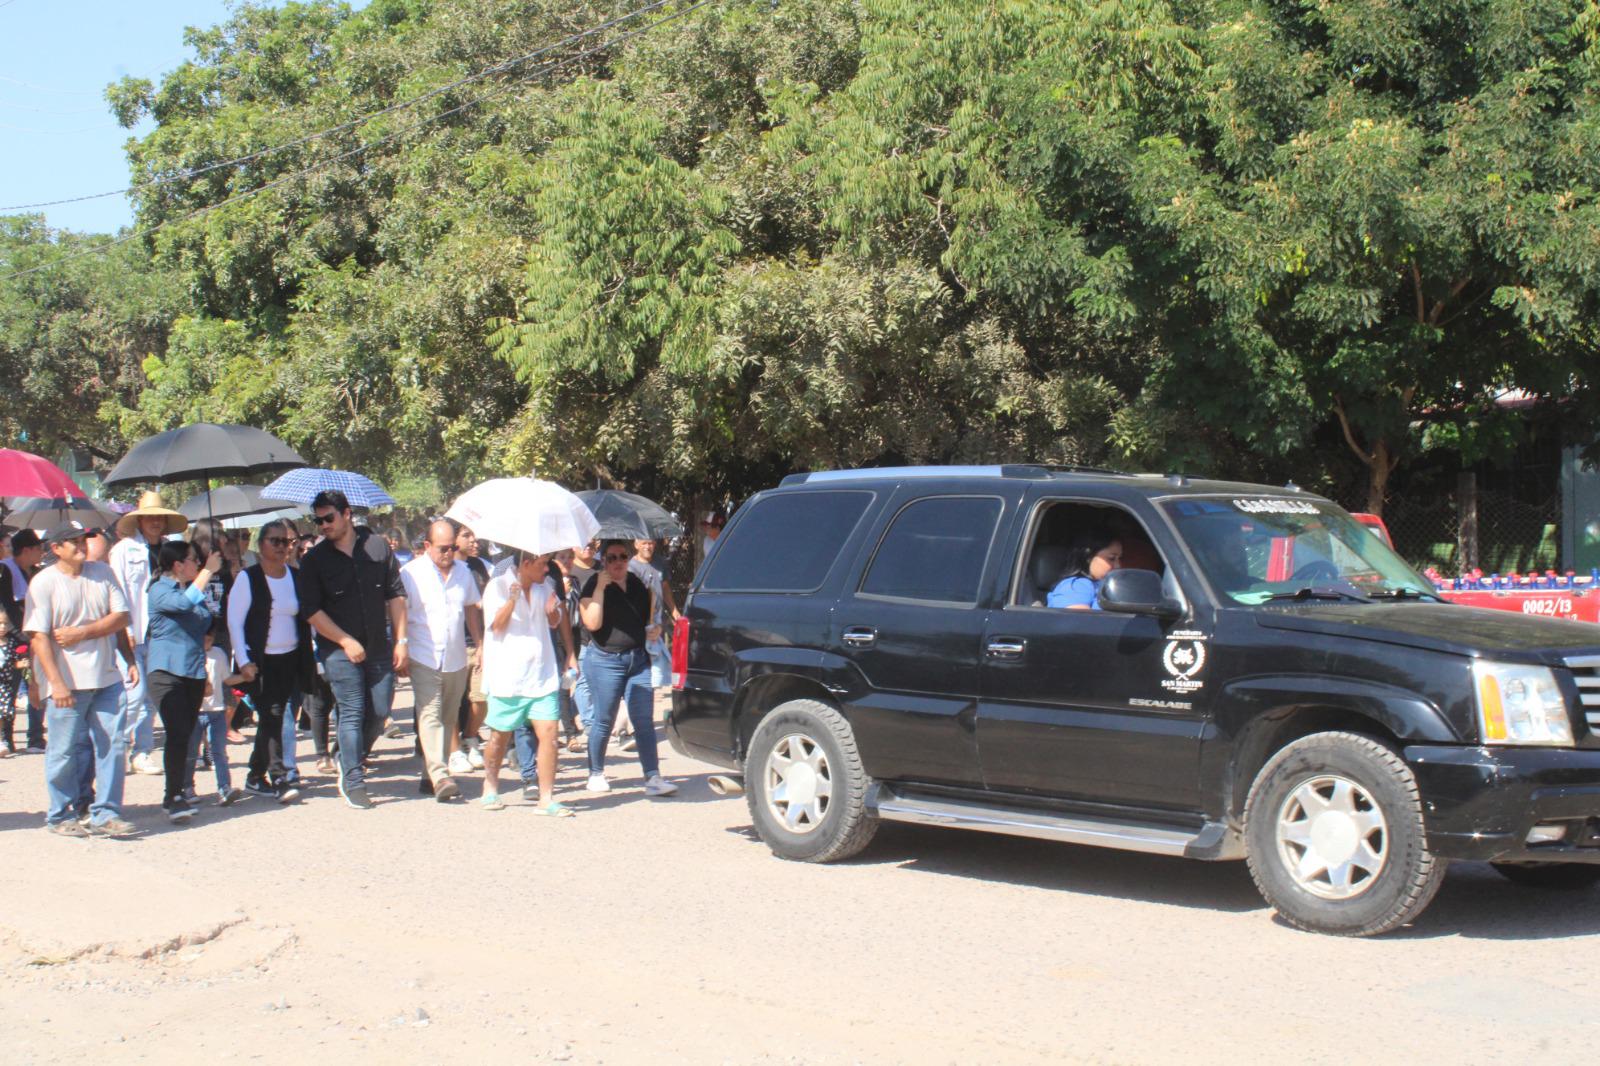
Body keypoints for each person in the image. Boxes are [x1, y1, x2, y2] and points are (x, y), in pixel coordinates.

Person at [25, 521, 140, 837]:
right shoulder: (44, 583)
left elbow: (121, 617)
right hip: (67, 682)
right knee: (63, 751)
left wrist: (85, 633)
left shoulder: (102, 573)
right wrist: (55, 682)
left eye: (83, 540)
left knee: (114, 745)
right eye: (72, 541)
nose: (81, 545)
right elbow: (39, 638)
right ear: (55, 548)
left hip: (106, 678)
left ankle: (106, 813)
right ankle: (60, 814)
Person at [298, 490, 407, 811]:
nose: (323, 525)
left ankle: (347, 754)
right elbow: (311, 611)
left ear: (347, 514)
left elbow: (396, 594)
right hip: (337, 650)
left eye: (328, 518)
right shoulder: (314, 560)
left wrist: (402, 640)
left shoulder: (376, 546)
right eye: (318, 520)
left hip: (379, 647)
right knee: (352, 710)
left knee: (380, 711)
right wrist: (345, 640)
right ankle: (353, 778)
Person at [577, 539, 677, 797]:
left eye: (623, 556)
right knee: (604, 719)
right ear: (604, 561)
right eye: (611, 558)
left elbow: (649, 621)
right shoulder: (592, 584)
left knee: (643, 720)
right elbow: (592, 623)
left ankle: (653, 777)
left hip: (637, 660)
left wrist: (655, 630)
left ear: (629, 557)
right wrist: (600, 587)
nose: (618, 562)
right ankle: (596, 773)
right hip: (605, 661)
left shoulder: (637, 585)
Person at [226, 519, 311, 804]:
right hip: (260, 662)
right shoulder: (248, 578)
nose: (282, 547)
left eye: (287, 542)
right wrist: (244, 660)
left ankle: (255, 775)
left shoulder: (295, 577)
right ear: (260, 545)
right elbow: (235, 622)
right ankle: (278, 775)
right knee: (273, 714)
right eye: (275, 541)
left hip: (290, 658)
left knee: (274, 716)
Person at [480, 548, 570, 815]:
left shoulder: (547, 587)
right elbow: (496, 626)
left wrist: (554, 613)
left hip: (542, 676)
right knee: (498, 738)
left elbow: (555, 621)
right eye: (542, 564)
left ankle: (546, 798)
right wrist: (511, 600)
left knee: (550, 736)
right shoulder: (497, 586)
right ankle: (490, 785)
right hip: (508, 679)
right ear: (526, 563)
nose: (546, 569)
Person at [401, 519, 483, 803]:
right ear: (427, 546)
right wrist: (400, 646)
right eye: (442, 548)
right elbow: (398, 613)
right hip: (423, 654)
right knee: (430, 713)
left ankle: (428, 775)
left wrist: (481, 643)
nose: (448, 553)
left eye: (451, 547)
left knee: (449, 718)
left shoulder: (463, 572)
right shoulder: (410, 574)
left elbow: (472, 608)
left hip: (455, 656)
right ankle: (440, 774)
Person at [145, 539, 226, 824]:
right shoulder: (158, 590)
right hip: (166, 672)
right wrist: (207, 574)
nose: (198, 565)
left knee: (187, 734)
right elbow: (181, 605)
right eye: (194, 560)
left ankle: (181, 790)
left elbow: (205, 620)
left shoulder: (192, 591)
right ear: (178, 564)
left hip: (193, 670)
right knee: (178, 732)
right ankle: (173, 796)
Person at [109, 491, 188, 776]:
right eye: (150, 517)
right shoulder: (124, 550)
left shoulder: (172, 551)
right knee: (134, 692)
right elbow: (117, 592)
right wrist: (125, 628)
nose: (155, 522)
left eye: (159, 517)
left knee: (152, 697)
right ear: (139, 520)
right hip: (135, 632)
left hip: (163, 634)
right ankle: (116, 748)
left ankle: (142, 752)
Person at [187, 618, 245, 806]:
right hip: (195, 711)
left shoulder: (218, 654)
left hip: (216, 710)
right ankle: (187, 787)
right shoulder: (188, 653)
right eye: (204, 639)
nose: (207, 643)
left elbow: (227, 679)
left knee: (219, 750)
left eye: (210, 639)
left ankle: (224, 788)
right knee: (190, 751)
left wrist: (244, 676)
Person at [450, 521, 490, 774]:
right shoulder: (447, 567)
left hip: (478, 641)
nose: (474, 540)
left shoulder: (478, 565)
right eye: (466, 535)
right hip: (453, 643)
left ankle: (471, 737)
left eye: (474, 535)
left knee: (481, 698)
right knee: (452, 701)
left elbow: (482, 601)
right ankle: (453, 751)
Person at [0, 529, 44, 756]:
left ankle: (36, 736)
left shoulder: (37, 573)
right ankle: (6, 737)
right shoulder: (6, 570)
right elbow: (8, 606)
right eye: (38, 548)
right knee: (10, 688)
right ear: (27, 550)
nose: (42, 553)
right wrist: (22, 636)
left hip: (34, 639)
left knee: (37, 684)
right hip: (14, 639)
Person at [1047, 530, 1123, 610]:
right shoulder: (1077, 586)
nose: (1118, 565)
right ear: (1089, 557)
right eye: (1111, 558)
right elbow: (1078, 621)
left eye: (1120, 558)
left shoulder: (1107, 586)